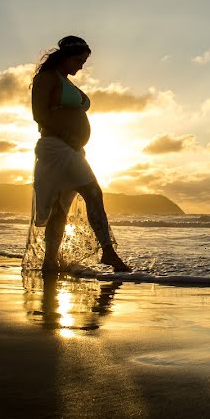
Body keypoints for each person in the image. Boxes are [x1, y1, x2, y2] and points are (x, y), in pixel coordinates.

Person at [30, 35, 130, 272]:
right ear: (65, 57)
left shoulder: (66, 82)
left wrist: (75, 141)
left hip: (71, 148)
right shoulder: (46, 78)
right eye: (79, 59)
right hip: (57, 147)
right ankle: (108, 252)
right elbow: (39, 114)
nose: (82, 65)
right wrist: (68, 137)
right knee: (93, 192)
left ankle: (49, 262)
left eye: (84, 61)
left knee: (60, 208)